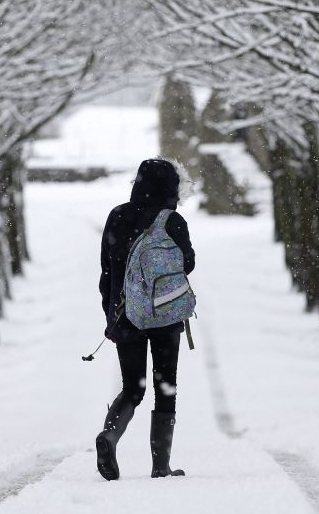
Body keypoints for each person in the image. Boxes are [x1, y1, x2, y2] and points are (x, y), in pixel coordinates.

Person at [95, 158, 195, 481]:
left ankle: (109, 437)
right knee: (165, 386)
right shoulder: (173, 221)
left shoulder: (117, 217)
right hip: (165, 317)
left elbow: (107, 273)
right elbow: (188, 264)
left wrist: (112, 316)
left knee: (132, 387)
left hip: (127, 318)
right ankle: (160, 466)